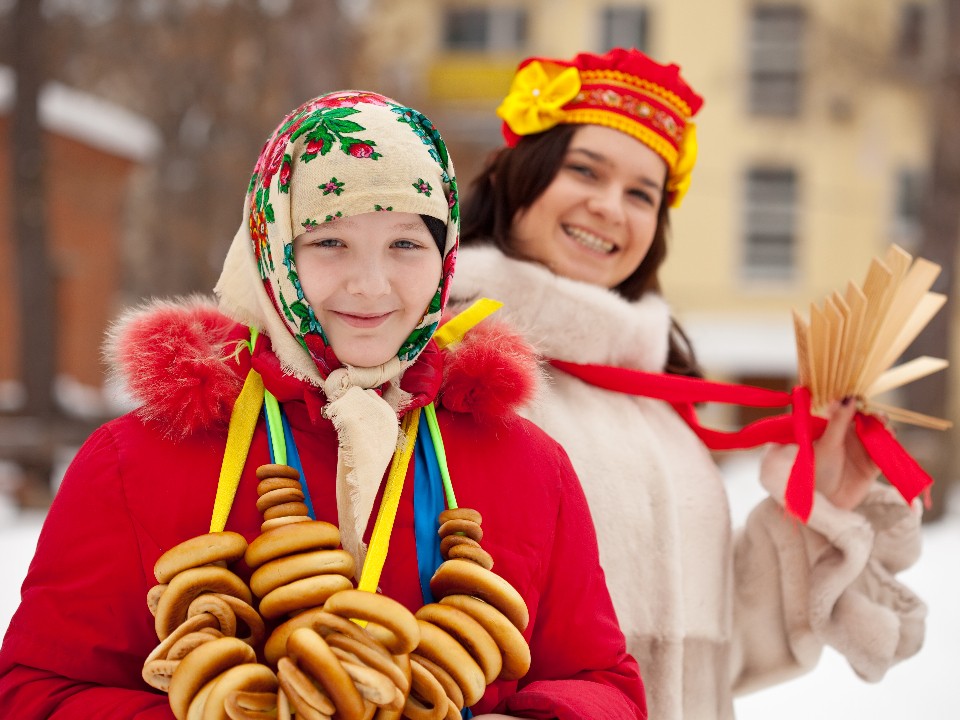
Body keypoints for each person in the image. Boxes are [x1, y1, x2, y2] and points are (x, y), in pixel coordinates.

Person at [0, 91, 647, 719]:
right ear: (271, 247)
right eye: (329, 241)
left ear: (446, 254)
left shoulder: (527, 463)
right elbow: (36, 692)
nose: (370, 285)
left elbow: (606, 685)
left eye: (406, 244)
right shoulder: (137, 458)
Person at [451, 47, 927, 720]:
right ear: (514, 176)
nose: (610, 207)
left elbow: (718, 653)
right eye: (585, 170)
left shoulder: (658, 407)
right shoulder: (452, 366)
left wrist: (813, 500)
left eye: (642, 194)